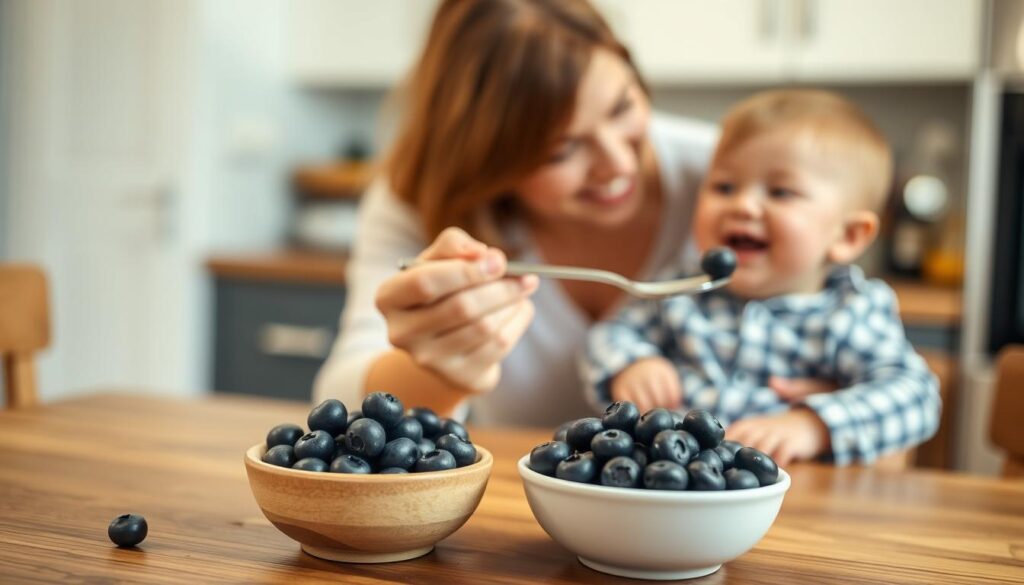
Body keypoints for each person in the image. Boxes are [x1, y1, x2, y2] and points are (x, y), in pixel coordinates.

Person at [313, 1, 824, 428]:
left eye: (623, 107)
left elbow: (845, 326)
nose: (618, 165)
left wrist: (834, 408)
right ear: (485, 158)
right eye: (561, 151)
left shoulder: (736, 184)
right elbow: (338, 400)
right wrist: (441, 368)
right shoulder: (419, 200)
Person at [582, 89, 941, 465]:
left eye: (781, 192)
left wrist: (812, 425)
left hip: (801, 504)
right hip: (678, 497)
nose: (743, 205)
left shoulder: (849, 310)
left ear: (848, 236)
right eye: (724, 187)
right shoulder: (683, 288)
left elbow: (915, 395)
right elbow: (608, 335)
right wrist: (631, 364)